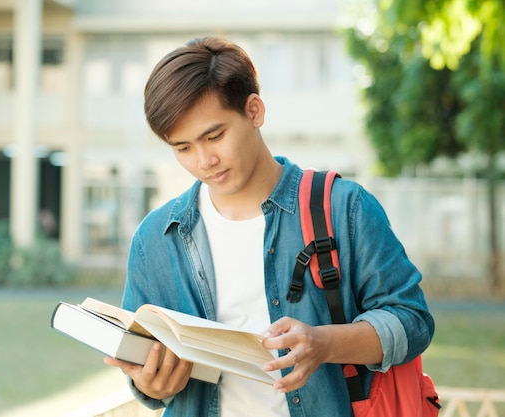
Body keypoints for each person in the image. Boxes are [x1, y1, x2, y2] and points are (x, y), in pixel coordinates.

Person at [103, 36, 434, 417]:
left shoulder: (345, 207)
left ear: (255, 111)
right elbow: (146, 374)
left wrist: (325, 343)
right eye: (183, 148)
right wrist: (149, 384)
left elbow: (413, 321)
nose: (204, 160)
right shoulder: (156, 239)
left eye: (215, 136)